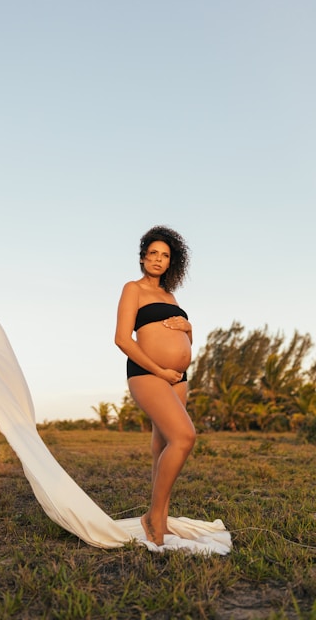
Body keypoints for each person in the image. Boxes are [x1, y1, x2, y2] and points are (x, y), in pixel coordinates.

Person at [115, 225, 196, 546]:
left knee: (163, 446)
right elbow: (122, 338)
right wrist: (160, 370)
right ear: (142, 257)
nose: (159, 260)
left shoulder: (170, 296)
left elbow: (185, 339)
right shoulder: (133, 288)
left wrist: (189, 328)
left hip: (178, 377)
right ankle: (152, 517)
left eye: (165, 255)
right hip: (147, 372)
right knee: (184, 437)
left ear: (171, 262)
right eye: (153, 254)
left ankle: (160, 518)